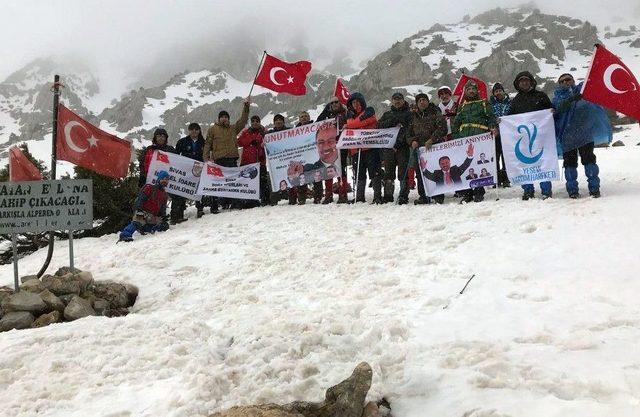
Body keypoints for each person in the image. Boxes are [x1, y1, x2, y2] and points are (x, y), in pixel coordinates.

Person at [552, 73, 612, 198]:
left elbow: (592, 104)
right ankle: (572, 191)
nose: (565, 82)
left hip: (585, 132)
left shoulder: (583, 91)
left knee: (589, 160)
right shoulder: (557, 97)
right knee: (570, 163)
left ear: (573, 80)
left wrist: (581, 98)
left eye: (567, 79)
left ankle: (594, 189)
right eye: (561, 81)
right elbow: (557, 110)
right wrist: (569, 100)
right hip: (567, 136)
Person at [507, 71, 554, 200]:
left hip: (540, 137)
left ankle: (546, 190)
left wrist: (552, 112)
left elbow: (550, 111)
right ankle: (528, 190)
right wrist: (502, 122)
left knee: (542, 163)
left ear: (531, 82)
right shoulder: (516, 100)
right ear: (518, 84)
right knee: (524, 164)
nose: (524, 82)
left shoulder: (541, 96)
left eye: (526, 80)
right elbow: (509, 118)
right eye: (521, 81)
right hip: (523, 139)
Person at [452, 80, 497, 203]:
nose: (471, 91)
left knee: (477, 164)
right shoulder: (462, 106)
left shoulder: (483, 103)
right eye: (468, 89)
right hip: (464, 138)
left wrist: (493, 127)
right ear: (465, 92)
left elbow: (491, 117)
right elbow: (456, 123)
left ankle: (478, 191)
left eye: (473, 89)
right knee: (466, 165)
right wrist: (457, 138)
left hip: (480, 137)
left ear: (477, 91)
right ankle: (467, 193)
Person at [203, 98, 250, 210]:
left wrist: (246, 107)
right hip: (219, 160)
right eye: (222, 117)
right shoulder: (213, 129)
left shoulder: (233, 128)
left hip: (232, 160)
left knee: (233, 182)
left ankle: (235, 203)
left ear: (228, 119)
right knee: (218, 184)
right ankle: (216, 205)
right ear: (219, 119)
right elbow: (208, 144)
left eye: (226, 117)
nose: (224, 118)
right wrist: (205, 158)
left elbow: (243, 121)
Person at [407, 93, 447, 204]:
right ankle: (423, 196)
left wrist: (432, 139)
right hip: (419, 150)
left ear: (428, 101)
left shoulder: (435, 112)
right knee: (420, 173)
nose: (422, 102)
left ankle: (438, 194)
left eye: (424, 100)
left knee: (436, 170)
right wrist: (412, 141)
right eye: (419, 101)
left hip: (434, 147)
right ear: (417, 103)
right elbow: (408, 133)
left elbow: (442, 128)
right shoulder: (413, 116)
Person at [345, 92, 382, 203]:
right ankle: (359, 197)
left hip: (371, 148)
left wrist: (351, 124)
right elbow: (356, 125)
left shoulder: (369, 110)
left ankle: (377, 196)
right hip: (357, 150)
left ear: (362, 102)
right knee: (359, 174)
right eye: (353, 102)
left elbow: (354, 124)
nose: (355, 104)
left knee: (374, 172)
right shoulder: (351, 116)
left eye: (357, 102)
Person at [377, 92, 413, 204]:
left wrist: (398, 144)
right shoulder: (387, 114)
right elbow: (378, 127)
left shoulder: (409, 114)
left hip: (402, 147)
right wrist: (391, 121)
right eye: (395, 99)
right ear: (392, 101)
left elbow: (409, 130)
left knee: (403, 172)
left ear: (403, 100)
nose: (397, 101)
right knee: (388, 173)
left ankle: (403, 195)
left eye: (399, 99)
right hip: (388, 148)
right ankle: (388, 196)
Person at [118, 170, 171, 242]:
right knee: (137, 222)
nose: (165, 181)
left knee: (164, 226)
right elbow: (140, 199)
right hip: (143, 212)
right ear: (159, 179)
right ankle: (125, 235)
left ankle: (145, 228)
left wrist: (163, 217)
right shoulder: (149, 188)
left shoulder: (164, 194)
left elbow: (163, 208)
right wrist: (138, 209)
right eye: (163, 179)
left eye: (167, 179)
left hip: (152, 216)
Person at [316, 98, 350, 204]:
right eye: (332, 103)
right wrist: (325, 111)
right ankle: (328, 195)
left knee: (341, 169)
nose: (334, 104)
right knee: (328, 169)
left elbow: (351, 124)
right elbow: (317, 123)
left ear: (340, 103)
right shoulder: (328, 116)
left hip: (341, 145)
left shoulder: (346, 113)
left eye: (336, 102)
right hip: (329, 147)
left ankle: (342, 193)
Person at [170, 123, 206, 222]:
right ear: (189, 130)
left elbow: (207, 155)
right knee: (183, 189)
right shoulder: (182, 142)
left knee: (199, 189)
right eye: (192, 129)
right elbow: (176, 156)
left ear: (199, 130)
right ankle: (179, 213)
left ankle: (200, 208)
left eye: (196, 129)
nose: (194, 131)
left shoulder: (204, 142)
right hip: (185, 171)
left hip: (199, 170)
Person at [238, 115, 270, 207]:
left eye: (257, 121)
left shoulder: (264, 132)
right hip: (248, 162)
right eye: (253, 121)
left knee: (263, 182)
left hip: (260, 161)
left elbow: (270, 141)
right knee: (249, 183)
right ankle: (250, 201)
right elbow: (239, 142)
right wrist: (251, 141)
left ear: (260, 122)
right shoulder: (246, 132)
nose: (255, 123)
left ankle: (265, 200)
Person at [269, 114, 298, 205]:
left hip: (288, 158)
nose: (278, 121)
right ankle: (274, 199)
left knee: (291, 176)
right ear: (274, 123)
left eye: (280, 120)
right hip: (276, 161)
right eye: (276, 120)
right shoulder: (270, 134)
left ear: (283, 121)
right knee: (276, 179)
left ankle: (293, 197)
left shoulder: (289, 131)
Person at [490, 82, 511, 187]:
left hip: (507, 134)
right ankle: (497, 178)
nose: (498, 93)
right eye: (496, 91)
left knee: (506, 156)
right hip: (495, 134)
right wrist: (494, 122)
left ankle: (506, 178)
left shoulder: (510, 102)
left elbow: (513, 115)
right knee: (495, 157)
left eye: (499, 91)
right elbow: (488, 117)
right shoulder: (490, 104)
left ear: (503, 91)